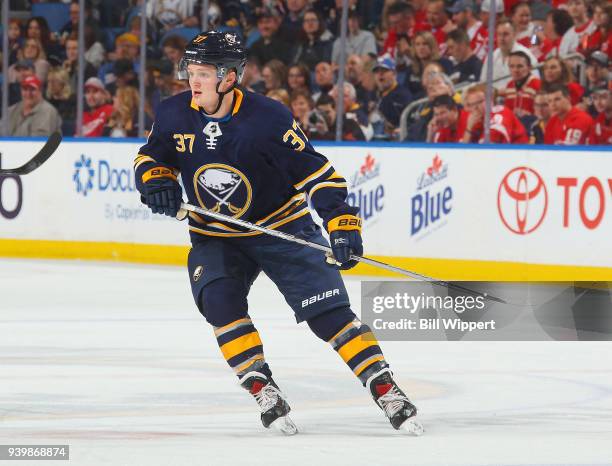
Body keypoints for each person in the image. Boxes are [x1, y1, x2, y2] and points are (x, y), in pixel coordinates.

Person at [133, 31, 421, 434]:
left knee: (329, 315)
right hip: (214, 236)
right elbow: (151, 157)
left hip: (281, 228)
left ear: (229, 76)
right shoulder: (173, 113)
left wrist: (341, 223)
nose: (192, 82)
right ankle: (260, 386)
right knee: (219, 302)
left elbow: (317, 174)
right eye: (190, 72)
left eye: (201, 73)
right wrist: (156, 182)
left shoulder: (267, 118)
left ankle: (385, 387)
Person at [461, 84, 528, 144]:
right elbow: (461, 151)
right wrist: (469, 129)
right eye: (470, 105)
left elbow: (486, 150)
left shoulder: (500, 114)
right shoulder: (477, 121)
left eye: (471, 105)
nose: (472, 109)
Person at [480, 20, 538, 88]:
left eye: (505, 34)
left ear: (514, 35)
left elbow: (535, 82)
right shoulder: (492, 56)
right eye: (499, 34)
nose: (502, 38)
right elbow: (483, 82)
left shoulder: (526, 55)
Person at [374, 55, 413, 137]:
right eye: (377, 71)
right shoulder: (373, 94)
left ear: (394, 74)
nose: (380, 74)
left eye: (384, 70)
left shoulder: (403, 95)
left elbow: (409, 122)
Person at [502, 51, 541, 117]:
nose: (515, 70)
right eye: (512, 66)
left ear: (529, 68)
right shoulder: (509, 85)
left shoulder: (537, 84)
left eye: (520, 66)